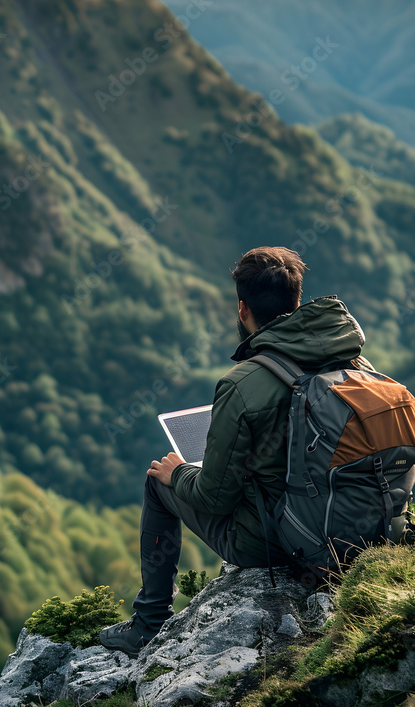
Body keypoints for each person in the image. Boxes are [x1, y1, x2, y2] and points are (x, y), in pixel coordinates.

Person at [100, 245, 372, 658]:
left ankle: (148, 624)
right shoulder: (354, 363)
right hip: (357, 522)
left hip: (275, 541)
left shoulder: (242, 383)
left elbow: (215, 496)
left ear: (243, 310)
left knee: (157, 479)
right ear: (296, 301)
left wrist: (177, 474)